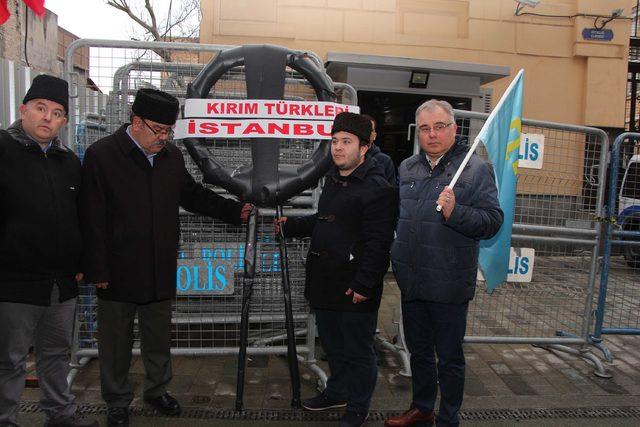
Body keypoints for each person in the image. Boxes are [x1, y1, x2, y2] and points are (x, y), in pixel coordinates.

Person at [79, 88, 251, 427]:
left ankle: (157, 390)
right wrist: (96, 266)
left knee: (158, 336)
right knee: (116, 340)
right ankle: (116, 399)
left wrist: (234, 211)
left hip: (158, 265)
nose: (164, 137)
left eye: (168, 130)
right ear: (136, 121)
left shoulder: (171, 157)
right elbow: (91, 216)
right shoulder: (103, 155)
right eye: (158, 129)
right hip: (116, 269)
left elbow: (192, 195)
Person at [385, 100, 503, 427]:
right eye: (425, 128)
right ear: (418, 132)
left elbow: (493, 221)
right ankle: (422, 409)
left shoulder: (475, 168)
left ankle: (449, 419)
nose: (432, 134)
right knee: (419, 353)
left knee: (449, 359)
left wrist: (456, 213)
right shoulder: (408, 167)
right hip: (413, 279)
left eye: (439, 127)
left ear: (453, 128)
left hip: (449, 283)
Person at [276, 112, 397, 427]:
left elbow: (378, 244)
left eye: (346, 142)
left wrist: (364, 286)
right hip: (325, 281)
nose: (338, 148)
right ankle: (337, 391)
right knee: (333, 346)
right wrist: (292, 225)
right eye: (334, 141)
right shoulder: (334, 178)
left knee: (358, 351)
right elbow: (325, 220)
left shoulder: (378, 188)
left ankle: (358, 406)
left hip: (353, 287)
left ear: (364, 147)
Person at [0, 75, 98, 427]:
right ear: (24, 109)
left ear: (64, 121)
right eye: (40, 108)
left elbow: (81, 217)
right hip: (14, 281)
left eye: (57, 113)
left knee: (56, 354)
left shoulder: (68, 161)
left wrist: (82, 263)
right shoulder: (3, 148)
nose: (47, 118)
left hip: (62, 283)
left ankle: (61, 415)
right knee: (9, 360)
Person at [362, 114, 396, 185]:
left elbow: (390, 192)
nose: (365, 133)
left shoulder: (385, 161)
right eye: (362, 129)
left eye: (369, 130)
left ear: (374, 136)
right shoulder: (347, 156)